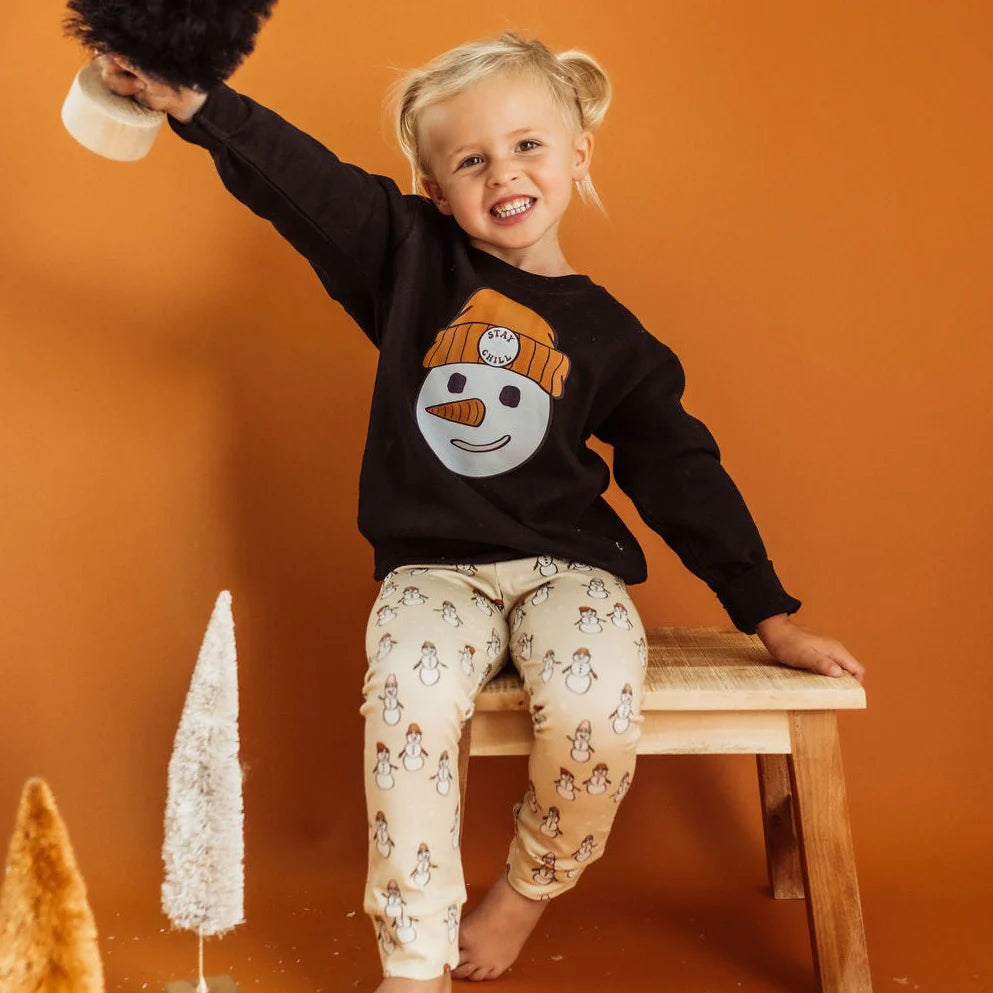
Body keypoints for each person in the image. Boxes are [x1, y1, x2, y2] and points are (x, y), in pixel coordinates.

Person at [95, 32, 864, 993]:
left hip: (567, 571)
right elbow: (303, 182)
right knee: (406, 701)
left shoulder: (614, 338)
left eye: (527, 145)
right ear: (432, 188)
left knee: (594, 701)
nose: (502, 172)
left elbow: (682, 476)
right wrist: (198, 104)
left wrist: (769, 615)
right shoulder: (406, 258)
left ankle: (527, 888)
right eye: (470, 160)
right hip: (432, 572)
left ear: (578, 154)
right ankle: (413, 960)